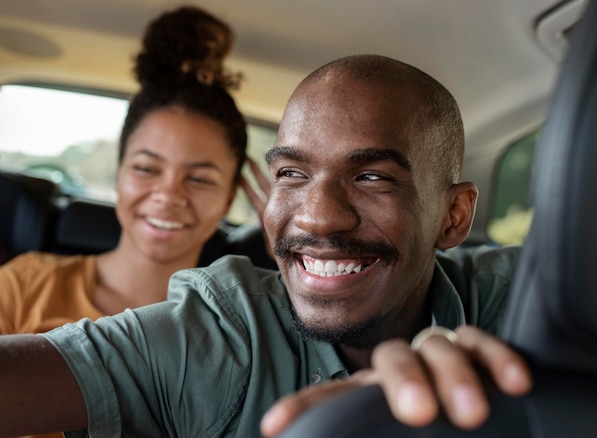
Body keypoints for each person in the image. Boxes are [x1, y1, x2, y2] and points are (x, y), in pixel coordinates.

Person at [0, 54, 531, 437]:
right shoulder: (220, 329)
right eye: (292, 173)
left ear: (455, 215)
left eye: (372, 177)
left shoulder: (524, 304)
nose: (319, 215)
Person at [0, 6, 271, 335]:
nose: (168, 195)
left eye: (199, 178)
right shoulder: (25, 286)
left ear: (229, 197)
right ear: (119, 174)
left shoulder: (242, 326)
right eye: (146, 168)